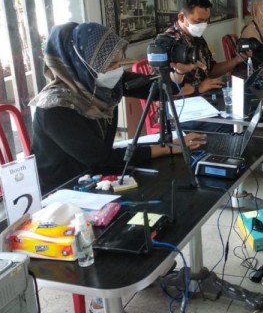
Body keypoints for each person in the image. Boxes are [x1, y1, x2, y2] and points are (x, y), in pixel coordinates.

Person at [29, 22, 205, 195]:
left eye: (119, 63)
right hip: (62, 192)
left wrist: (179, 72)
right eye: (111, 64)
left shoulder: (101, 82)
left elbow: (159, 89)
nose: (117, 70)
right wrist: (167, 148)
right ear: (83, 64)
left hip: (96, 178)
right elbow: (101, 159)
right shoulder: (55, 108)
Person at [159, 0, 249, 133]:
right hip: (180, 111)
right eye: (199, 21)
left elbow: (211, 70)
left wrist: (238, 60)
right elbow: (163, 90)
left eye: (206, 21)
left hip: (204, 101)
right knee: (232, 126)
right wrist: (198, 87)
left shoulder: (197, 38)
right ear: (181, 17)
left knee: (244, 109)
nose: (203, 25)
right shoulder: (167, 44)